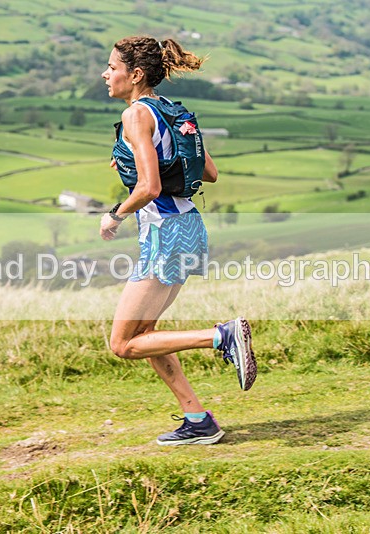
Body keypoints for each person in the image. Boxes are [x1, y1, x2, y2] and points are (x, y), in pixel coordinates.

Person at [99, 36, 256, 446]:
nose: (105, 74)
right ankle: (198, 418)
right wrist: (136, 158)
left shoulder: (136, 114)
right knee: (146, 331)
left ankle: (221, 336)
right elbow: (209, 172)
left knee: (122, 343)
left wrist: (115, 214)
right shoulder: (171, 110)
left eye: (112, 67)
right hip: (188, 226)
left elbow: (150, 187)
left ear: (135, 75)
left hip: (164, 232)